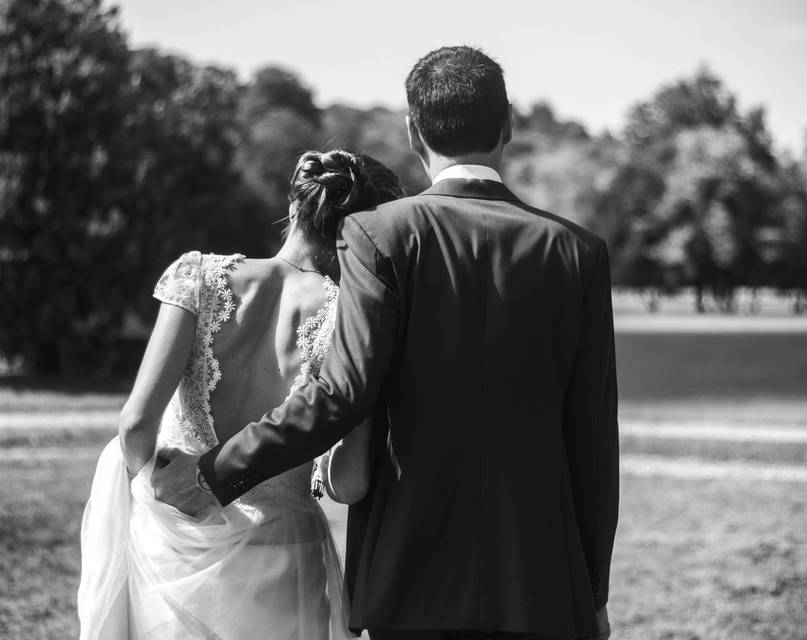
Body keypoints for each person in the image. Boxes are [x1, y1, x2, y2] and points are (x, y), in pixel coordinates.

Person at [154, 45, 619, 640]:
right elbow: (593, 442)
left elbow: (339, 395)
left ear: (412, 128)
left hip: (408, 573)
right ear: (508, 125)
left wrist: (214, 473)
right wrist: (594, 593)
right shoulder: (578, 253)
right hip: (540, 583)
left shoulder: (378, 234)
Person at [77, 149, 404, 640]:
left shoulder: (198, 278)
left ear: (293, 206)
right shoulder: (351, 319)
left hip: (176, 549)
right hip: (282, 555)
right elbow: (352, 483)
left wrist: (163, 497)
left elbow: (134, 426)